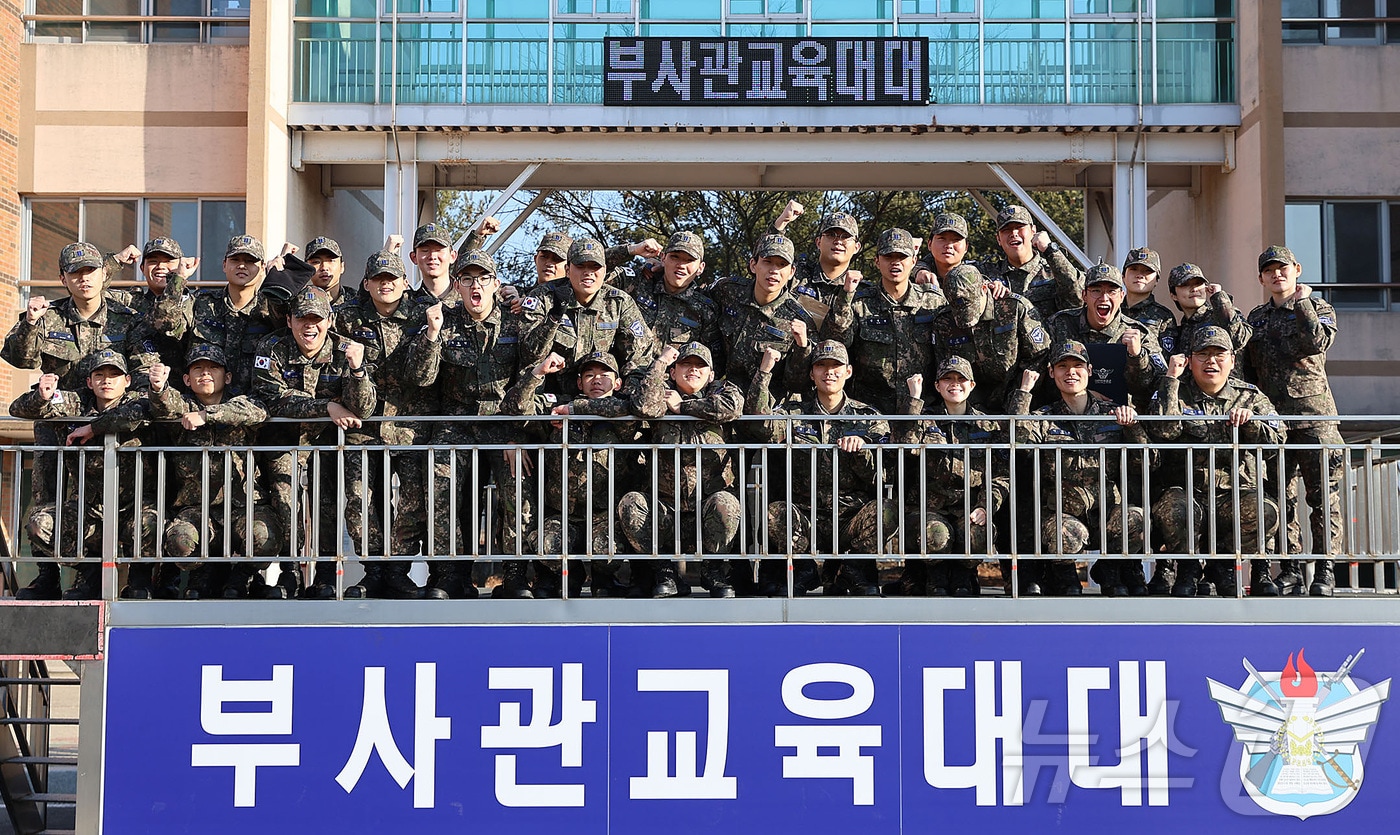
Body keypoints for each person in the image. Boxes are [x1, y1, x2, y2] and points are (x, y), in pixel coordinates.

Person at [3, 242, 151, 600]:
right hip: (57, 425)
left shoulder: (125, 316)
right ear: (63, 279)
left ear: (104, 276)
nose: (84, 279)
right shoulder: (49, 316)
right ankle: (46, 575)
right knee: (45, 500)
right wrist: (30, 322)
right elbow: (17, 357)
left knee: (97, 505)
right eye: (75, 273)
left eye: (91, 271)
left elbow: (144, 371)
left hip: (107, 425)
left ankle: (89, 577)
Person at [403, 249, 532, 599]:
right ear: (457, 286)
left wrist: (518, 434)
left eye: (483, 278)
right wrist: (431, 335)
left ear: (496, 284)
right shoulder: (445, 320)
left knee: (516, 490)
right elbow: (420, 378)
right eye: (468, 279)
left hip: (504, 422)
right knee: (441, 488)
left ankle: (516, 574)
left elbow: (529, 380)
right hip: (456, 421)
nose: (476, 286)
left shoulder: (516, 323)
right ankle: (450, 574)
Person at [252, 286, 376, 600]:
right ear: (290, 320)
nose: (310, 326)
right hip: (285, 442)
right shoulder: (272, 347)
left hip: (328, 442)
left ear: (330, 320)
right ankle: (291, 572)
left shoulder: (345, 349)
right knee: (286, 502)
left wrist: (357, 370)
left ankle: (324, 576)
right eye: (302, 319)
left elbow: (362, 408)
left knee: (328, 505)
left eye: (317, 319)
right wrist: (327, 407)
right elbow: (272, 398)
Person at [743, 340, 894, 597]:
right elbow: (759, 426)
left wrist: (862, 450)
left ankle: (851, 570)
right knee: (774, 514)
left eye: (836, 366)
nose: (829, 372)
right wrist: (765, 373)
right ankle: (804, 570)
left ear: (848, 371)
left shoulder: (869, 418)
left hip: (849, 517)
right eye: (821, 366)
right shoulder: (794, 413)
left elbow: (879, 475)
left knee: (887, 511)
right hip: (805, 515)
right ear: (811, 373)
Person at [331, 249, 438, 599]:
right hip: (363, 425)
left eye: (392, 279)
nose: (386, 284)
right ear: (366, 284)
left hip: (410, 426)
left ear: (405, 283)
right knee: (360, 500)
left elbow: (425, 376)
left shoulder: (423, 314)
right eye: (378, 279)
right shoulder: (346, 319)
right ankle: (373, 569)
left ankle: (398, 570)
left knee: (412, 502)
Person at [502, 350, 650, 598]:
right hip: (563, 514)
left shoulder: (625, 411)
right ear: (579, 382)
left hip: (604, 514)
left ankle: (603, 578)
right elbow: (515, 407)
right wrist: (538, 373)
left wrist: (577, 408)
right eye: (589, 375)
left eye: (604, 374)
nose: (597, 379)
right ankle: (568, 574)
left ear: (618, 383)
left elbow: (633, 406)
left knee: (607, 550)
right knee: (546, 547)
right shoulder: (558, 405)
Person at [9, 350, 156, 600]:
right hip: (88, 508)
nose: (106, 381)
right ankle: (88, 572)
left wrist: (93, 427)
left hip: (133, 507)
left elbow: (138, 413)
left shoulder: (138, 400)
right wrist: (41, 397)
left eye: (114, 375)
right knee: (40, 524)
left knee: (150, 525)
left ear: (127, 380)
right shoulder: (77, 401)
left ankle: (139, 580)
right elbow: (18, 408)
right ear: (89, 382)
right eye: (99, 375)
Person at [1148, 326, 1284, 597]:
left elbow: (1278, 437)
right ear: (1189, 359)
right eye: (1203, 354)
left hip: (1235, 493)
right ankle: (1188, 569)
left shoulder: (1250, 395)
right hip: (1187, 491)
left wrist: (1251, 424)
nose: (1211, 361)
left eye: (1219, 354)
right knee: (1175, 510)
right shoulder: (1174, 389)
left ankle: (1240, 567)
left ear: (1232, 360)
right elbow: (1162, 430)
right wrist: (1171, 380)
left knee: (1264, 511)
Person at [1241, 245, 1344, 596]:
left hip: (1315, 419)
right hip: (1274, 423)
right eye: (1269, 270)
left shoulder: (1317, 307)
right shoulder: (1256, 318)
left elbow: (1317, 341)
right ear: (1261, 278)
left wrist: (1302, 302)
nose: (1277, 275)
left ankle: (1326, 570)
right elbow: (1245, 367)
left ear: (1297, 270)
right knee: (1279, 500)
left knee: (1322, 500)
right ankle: (1291, 568)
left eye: (1282, 268)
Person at [146, 344, 278, 599]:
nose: (205, 373)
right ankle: (201, 574)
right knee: (180, 543)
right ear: (186, 379)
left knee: (264, 538)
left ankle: (243, 577)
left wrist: (208, 415)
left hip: (244, 506)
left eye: (213, 368)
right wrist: (159, 388)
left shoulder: (241, 403)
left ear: (227, 377)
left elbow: (257, 409)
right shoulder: (181, 406)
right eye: (198, 369)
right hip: (197, 508)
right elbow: (164, 405)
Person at [1017, 340, 1148, 597]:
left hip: (1107, 510)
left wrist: (1133, 428)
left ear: (1089, 370)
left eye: (1077, 365)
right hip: (1064, 515)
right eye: (1062, 366)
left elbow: (1147, 461)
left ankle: (1110, 570)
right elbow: (1018, 443)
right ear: (1051, 372)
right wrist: (1024, 392)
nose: (1071, 372)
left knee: (1136, 518)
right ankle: (1065, 576)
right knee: (1064, 532)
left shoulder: (1113, 414)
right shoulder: (1044, 419)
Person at [622, 342, 745, 598]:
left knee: (727, 504)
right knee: (631, 504)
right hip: (666, 511)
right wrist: (660, 363)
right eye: (686, 365)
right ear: (673, 372)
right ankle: (665, 572)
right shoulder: (661, 393)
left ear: (710, 374)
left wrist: (684, 408)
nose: (693, 370)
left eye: (700, 366)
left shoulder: (720, 390)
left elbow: (733, 406)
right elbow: (643, 405)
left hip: (706, 511)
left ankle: (713, 571)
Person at [892, 357, 1014, 597]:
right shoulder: (924, 420)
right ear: (937, 386)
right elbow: (904, 445)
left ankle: (964, 578)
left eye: (961, 379)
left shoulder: (987, 425)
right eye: (947, 378)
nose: (954, 384)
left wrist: (986, 506)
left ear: (972, 385)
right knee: (936, 534)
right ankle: (935, 580)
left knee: (978, 532)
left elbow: (1000, 476)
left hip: (969, 509)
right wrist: (914, 400)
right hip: (929, 510)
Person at [821, 227, 944, 414]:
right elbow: (836, 344)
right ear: (877, 261)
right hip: (870, 413)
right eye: (888, 257)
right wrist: (845, 298)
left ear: (914, 261)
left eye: (901, 257)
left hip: (924, 409)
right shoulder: (859, 303)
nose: (895, 263)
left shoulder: (933, 301)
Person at [519, 238, 657, 402]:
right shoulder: (543, 297)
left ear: (605, 271)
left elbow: (640, 358)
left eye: (594, 266)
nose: (588, 272)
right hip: (550, 402)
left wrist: (623, 399)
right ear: (568, 269)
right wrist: (554, 317)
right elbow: (529, 354)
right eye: (580, 266)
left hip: (603, 402)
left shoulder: (619, 302)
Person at [929, 263, 1049, 413]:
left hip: (1019, 399)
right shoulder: (944, 321)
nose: (966, 317)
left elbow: (1039, 357)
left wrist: (1018, 396)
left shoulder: (1014, 309)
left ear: (984, 289)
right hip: (970, 406)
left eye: (970, 307)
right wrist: (975, 408)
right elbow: (946, 369)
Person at [709, 233, 816, 401]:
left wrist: (802, 347)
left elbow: (798, 383)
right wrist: (657, 269)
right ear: (753, 265)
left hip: (768, 408)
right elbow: (691, 296)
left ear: (791, 272)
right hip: (724, 399)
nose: (774, 271)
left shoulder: (799, 318)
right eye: (767, 262)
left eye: (782, 265)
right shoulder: (728, 291)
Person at [1045, 262, 1166, 408]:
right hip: (1066, 417)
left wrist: (1137, 356)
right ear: (1084, 295)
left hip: (1123, 420)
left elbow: (1157, 385)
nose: (1104, 298)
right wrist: (1084, 395)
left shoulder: (1139, 333)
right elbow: (1043, 375)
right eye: (1096, 291)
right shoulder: (1059, 324)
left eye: (1112, 291)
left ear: (1122, 296)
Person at [606, 231, 724, 375]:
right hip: (619, 384)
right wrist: (631, 250)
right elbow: (590, 271)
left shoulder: (705, 310)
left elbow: (714, 365)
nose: (680, 265)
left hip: (667, 390)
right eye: (674, 257)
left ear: (700, 268)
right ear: (663, 257)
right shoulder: (638, 282)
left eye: (689, 260)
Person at [977, 205, 1085, 320]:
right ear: (998, 239)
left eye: (1019, 227)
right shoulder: (986, 273)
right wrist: (985, 286)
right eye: (1006, 230)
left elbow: (1077, 299)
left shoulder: (1054, 271)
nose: (1014, 233)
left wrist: (1051, 251)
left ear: (1033, 231)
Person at [1165, 263, 1252, 363]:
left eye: (1198, 283)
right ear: (1173, 295)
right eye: (1185, 285)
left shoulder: (1221, 313)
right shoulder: (1178, 328)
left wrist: (1219, 298)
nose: (1194, 289)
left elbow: (1240, 339)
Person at [1120, 247, 1177, 354]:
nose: (1140, 275)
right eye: (1134, 269)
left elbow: (1166, 360)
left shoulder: (1164, 317)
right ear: (1123, 276)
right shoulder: (1112, 311)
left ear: (1156, 280)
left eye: (1147, 271)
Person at [913, 212, 972, 286]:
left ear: (966, 247)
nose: (949, 245)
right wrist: (919, 272)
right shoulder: (915, 275)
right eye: (942, 238)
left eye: (956, 240)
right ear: (929, 244)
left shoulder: (979, 274)